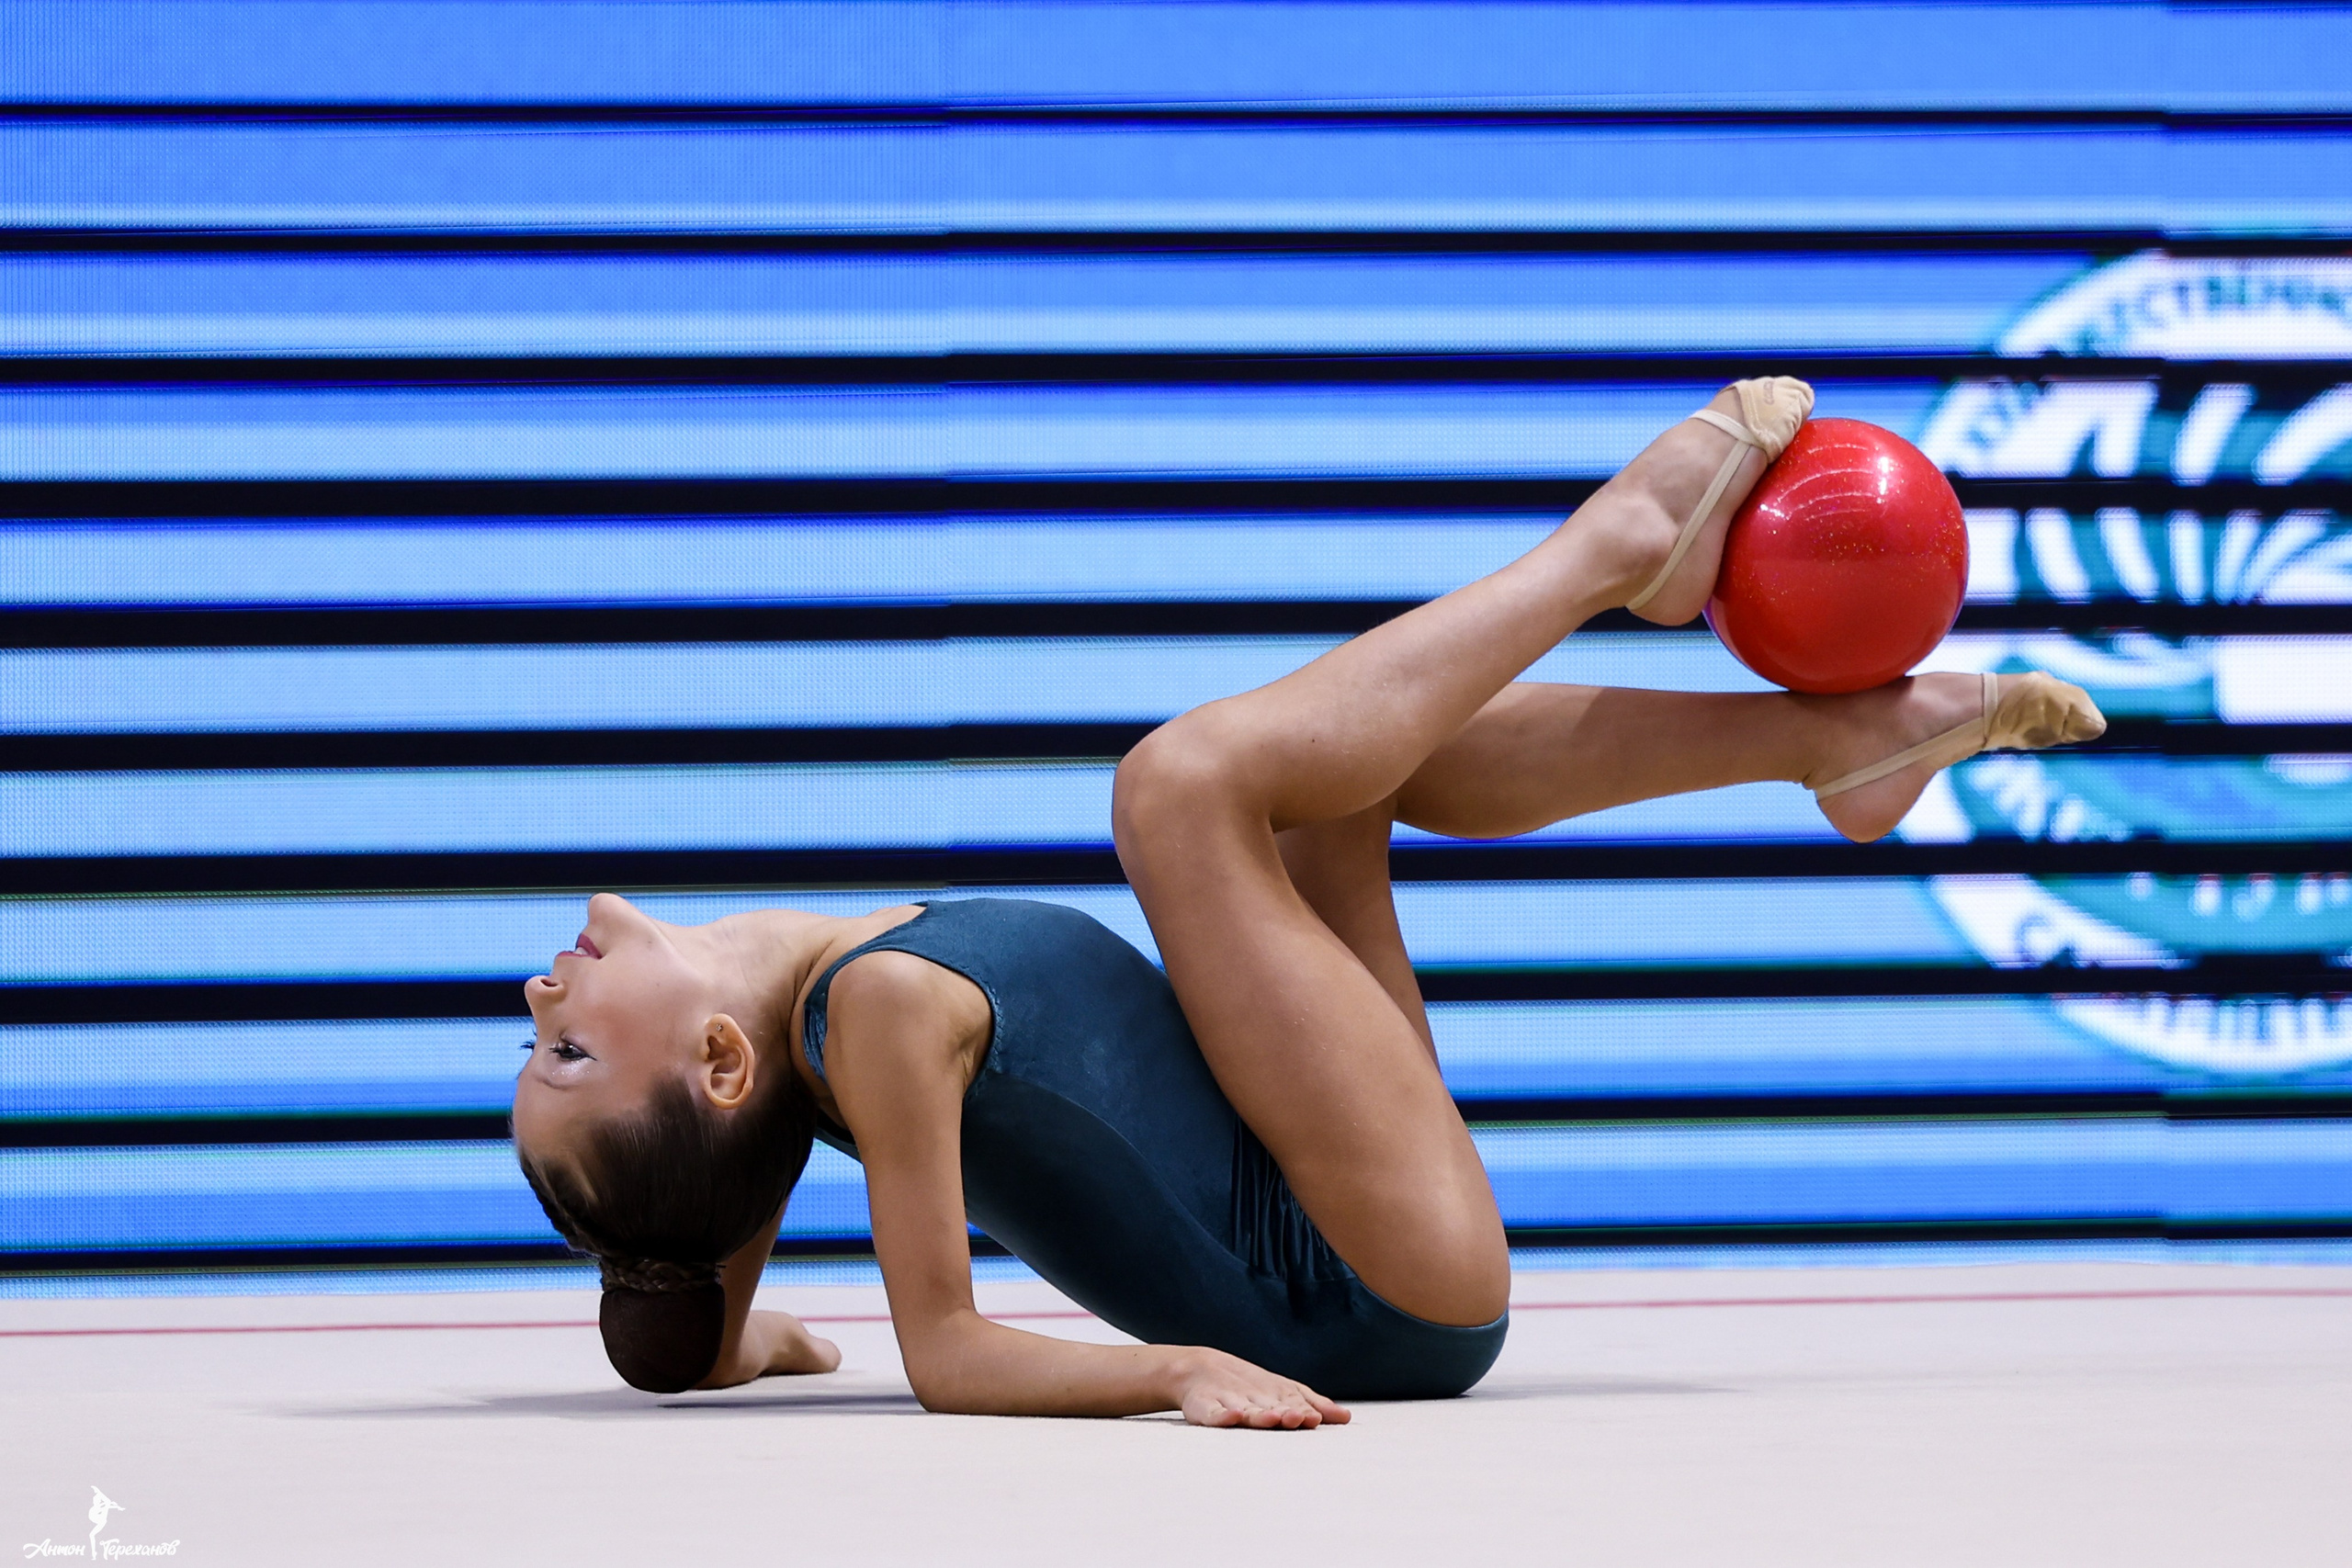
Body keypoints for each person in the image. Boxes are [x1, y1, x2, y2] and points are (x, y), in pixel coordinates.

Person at [512, 378, 2105, 1428]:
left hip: (1333, 1197)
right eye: (567, 1058)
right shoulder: (869, 1015)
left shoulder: (796, 1061)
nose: (539, 1004)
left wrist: (742, 1339)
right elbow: (944, 1351)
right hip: (1364, 1286)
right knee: (1179, 787)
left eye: (541, 1046)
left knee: (1358, 759)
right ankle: (1617, 545)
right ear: (718, 1063)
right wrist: (1175, 1374)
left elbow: (685, 1288)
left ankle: (1839, 747)